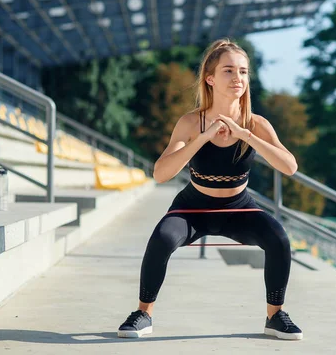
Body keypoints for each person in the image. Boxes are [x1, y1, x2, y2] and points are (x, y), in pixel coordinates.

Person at [117, 38, 303, 340]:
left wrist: (246, 134)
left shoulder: (256, 124)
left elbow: (289, 166)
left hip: (238, 208)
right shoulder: (191, 123)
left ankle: (275, 317)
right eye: (229, 71)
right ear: (211, 78)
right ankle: (143, 313)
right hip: (193, 207)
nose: (238, 78)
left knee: (278, 238)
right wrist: (202, 137)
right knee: (162, 238)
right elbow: (161, 173)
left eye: (243, 72)